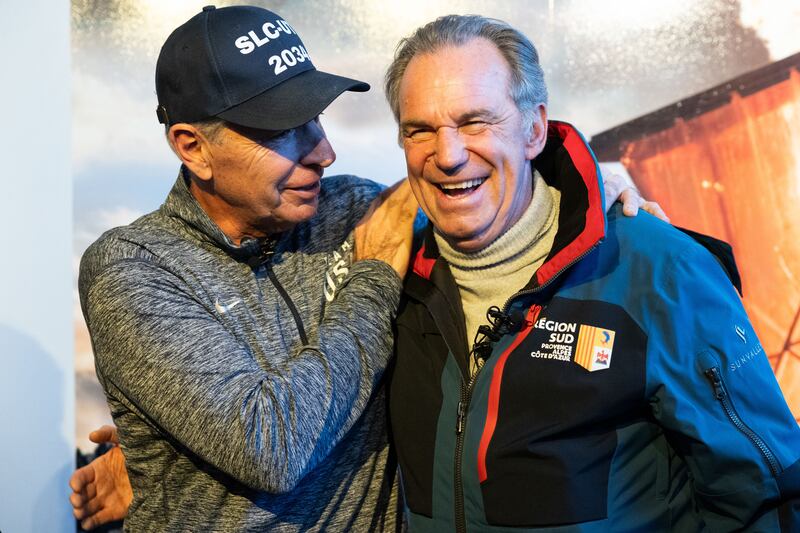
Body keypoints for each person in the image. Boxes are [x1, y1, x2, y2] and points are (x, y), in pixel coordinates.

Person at [69, 6, 659, 531]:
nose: (324, 152)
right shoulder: (132, 268)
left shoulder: (353, 206)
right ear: (192, 146)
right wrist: (373, 280)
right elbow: (269, 446)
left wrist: (588, 189)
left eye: (316, 119)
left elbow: (472, 180)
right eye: (284, 130)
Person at [385, 15, 800, 532]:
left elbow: (765, 498)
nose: (447, 155)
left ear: (534, 129)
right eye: (420, 130)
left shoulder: (659, 271)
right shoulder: (389, 278)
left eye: (476, 122)